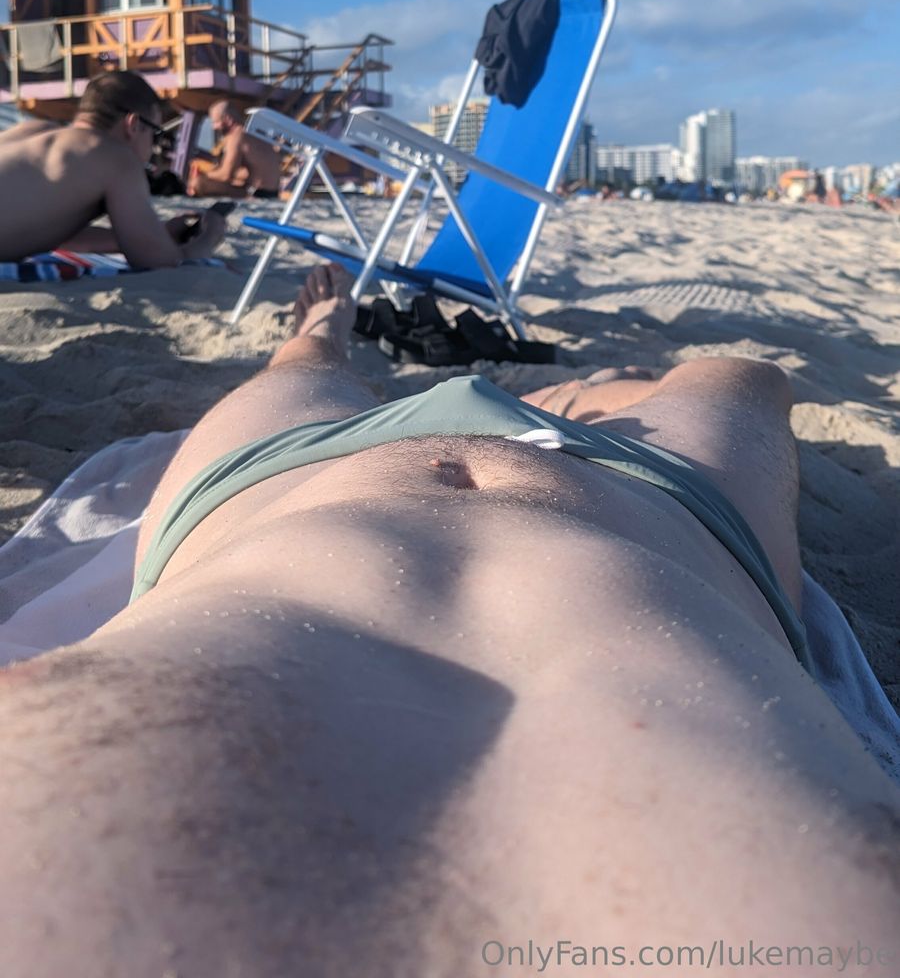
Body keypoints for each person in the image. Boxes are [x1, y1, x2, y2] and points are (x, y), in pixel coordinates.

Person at [0, 265, 896, 975]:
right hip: (661, 509)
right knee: (740, 378)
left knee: (303, 369)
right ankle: (568, 401)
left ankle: (326, 330)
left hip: (273, 486)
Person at [0, 70, 227, 269]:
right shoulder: (117, 156)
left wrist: (153, 233)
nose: (153, 146)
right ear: (133, 124)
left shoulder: (32, 130)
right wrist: (209, 237)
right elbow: (161, 262)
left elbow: (44, 232)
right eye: (155, 133)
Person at [187, 98, 283, 199]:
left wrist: (203, 175)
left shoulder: (236, 137)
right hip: (272, 192)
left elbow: (225, 175)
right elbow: (249, 171)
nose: (214, 127)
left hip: (257, 193)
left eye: (215, 122)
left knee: (198, 183)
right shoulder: (252, 132)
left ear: (227, 119)